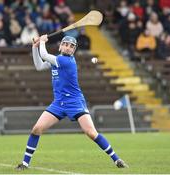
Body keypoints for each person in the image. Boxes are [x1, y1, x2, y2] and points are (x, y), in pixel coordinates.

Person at [15, 35, 129, 170]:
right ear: (60, 46)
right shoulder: (57, 61)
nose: (68, 48)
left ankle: (116, 160)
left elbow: (44, 55)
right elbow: (39, 66)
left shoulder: (65, 61)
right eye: (66, 44)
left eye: (72, 46)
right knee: (36, 129)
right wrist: (35, 47)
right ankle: (25, 164)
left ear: (73, 51)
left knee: (91, 133)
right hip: (58, 103)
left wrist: (43, 42)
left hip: (75, 102)